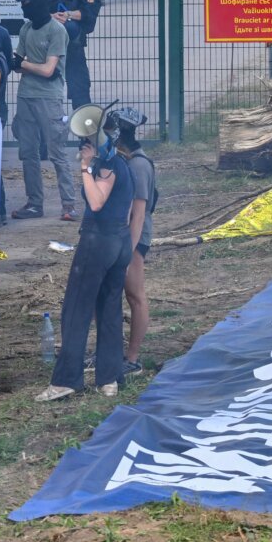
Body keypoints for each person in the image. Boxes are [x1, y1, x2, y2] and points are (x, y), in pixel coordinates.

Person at [37, 132, 133, 403]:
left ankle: (65, 381)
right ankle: (110, 378)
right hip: (120, 240)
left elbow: (96, 201)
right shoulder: (123, 164)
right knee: (110, 310)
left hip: (97, 241)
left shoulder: (106, 166)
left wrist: (84, 167)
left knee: (76, 310)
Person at [12, 0, 77, 221]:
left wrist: (26, 64)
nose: (22, 7)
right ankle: (34, 203)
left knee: (57, 152)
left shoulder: (57, 31)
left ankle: (68, 205)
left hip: (49, 98)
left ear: (36, 5)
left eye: (25, 3)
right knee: (28, 152)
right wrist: (26, 64)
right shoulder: (26, 28)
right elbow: (17, 64)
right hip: (26, 95)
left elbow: (49, 70)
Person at [42, 0, 101, 108]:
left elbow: (89, 13)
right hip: (49, 48)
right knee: (47, 88)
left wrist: (69, 14)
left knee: (80, 87)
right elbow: (35, 14)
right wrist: (51, 17)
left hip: (74, 46)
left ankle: (84, 126)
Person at [121, 127, 157, 375]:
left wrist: (129, 250)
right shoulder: (128, 161)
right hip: (123, 236)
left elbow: (139, 213)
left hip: (134, 237)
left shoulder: (139, 165)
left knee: (135, 295)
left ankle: (132, 360)